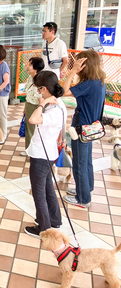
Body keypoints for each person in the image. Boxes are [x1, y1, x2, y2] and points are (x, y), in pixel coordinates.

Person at [24, 70, 66, 238]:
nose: (38, 92)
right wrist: (46, 100)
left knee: (39, 193)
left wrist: (42, 103)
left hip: (42, 155)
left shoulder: (54, 109)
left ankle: (44, 229)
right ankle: (54, 220)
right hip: (47, 153)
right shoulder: (59, 103)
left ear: (45, 88)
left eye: (39, 88)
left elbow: (33, 119)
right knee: (48, 188)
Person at [61, 50, 106, 208]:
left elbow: (63, 91)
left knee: (79, 163)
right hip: (91, 128)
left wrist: (72, 72)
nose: (76, 65)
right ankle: (86, 189)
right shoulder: (99, 81)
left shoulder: (87, 84)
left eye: (78, 63)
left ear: (85, 65)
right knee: (86, 162)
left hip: (81, 129)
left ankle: (83, 198)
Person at [21, 57, 45, 156]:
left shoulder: (39, 80)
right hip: (29, 104)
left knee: (33, 131)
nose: (27, 66)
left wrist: (39, 110)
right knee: (28, 129)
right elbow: (28, 95)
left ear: (35, 68)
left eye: (30, 65)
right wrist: (25, 108)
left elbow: (41, 98)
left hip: (36, 107)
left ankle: (32, 153)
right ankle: (28, 150)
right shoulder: (30, 78)